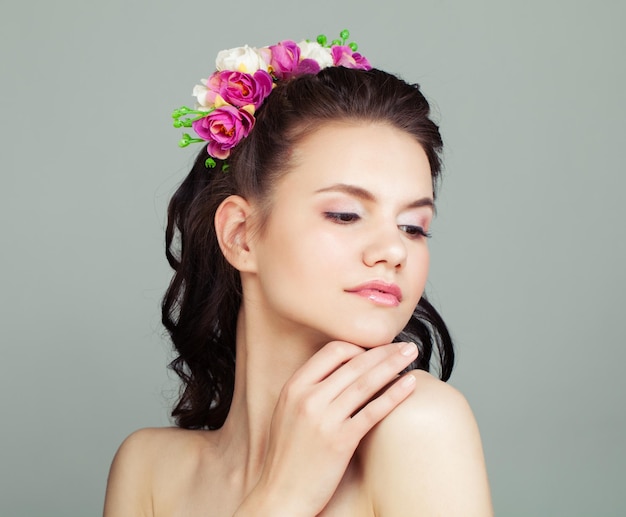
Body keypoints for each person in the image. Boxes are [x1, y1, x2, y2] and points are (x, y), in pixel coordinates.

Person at [103, 30, 493, 516]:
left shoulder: (420, 426)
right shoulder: (148, 470)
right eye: (346, 215)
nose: (394, 249)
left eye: (414, 227)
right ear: (241, 235)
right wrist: (282, 497)